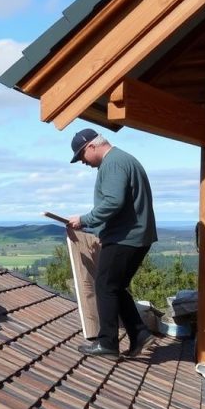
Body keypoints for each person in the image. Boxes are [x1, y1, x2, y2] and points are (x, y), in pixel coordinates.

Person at [67, 128, 157, 358]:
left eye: (81, 157)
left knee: (105, 286)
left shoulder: (113, 164)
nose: (82, 163)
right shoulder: (124, 159)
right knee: (115, 287)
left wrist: (85, 219)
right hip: (136, 237)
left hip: (125, 238)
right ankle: (139, 334)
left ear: (91, 147)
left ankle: (107, 343)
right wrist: (95, 227)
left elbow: (113, 202)